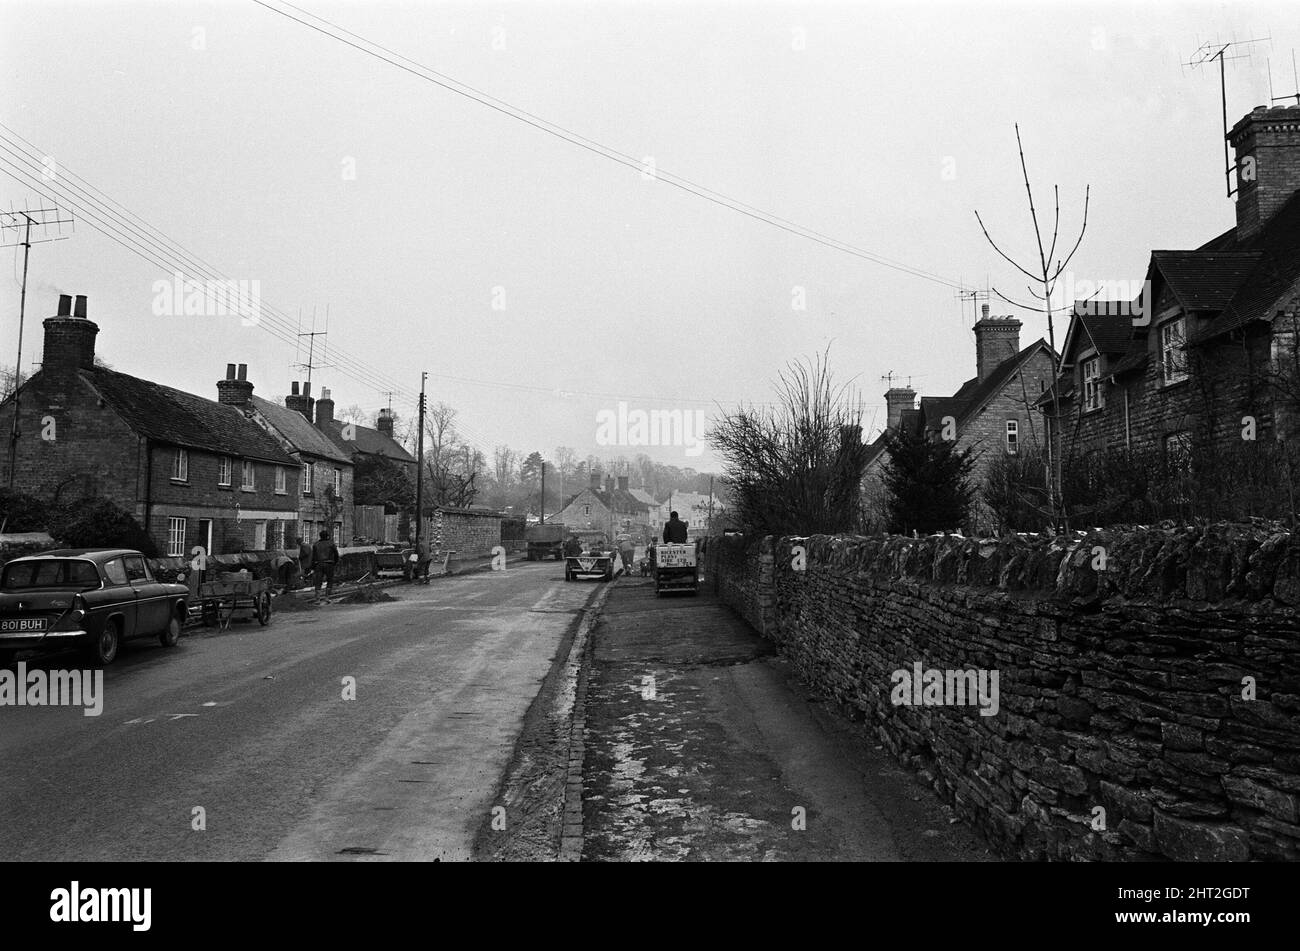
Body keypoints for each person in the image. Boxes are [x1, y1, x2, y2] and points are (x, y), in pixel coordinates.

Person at [311, 529, 340, 599]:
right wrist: (335, 562)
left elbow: (313, 557)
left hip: (318, 564)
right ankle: (327, 597)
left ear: (320, 536)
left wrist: (313, 566)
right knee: (330, 580)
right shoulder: (331, 544)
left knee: (318, 581)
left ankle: (317, 598)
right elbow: (336, 554)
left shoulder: (316, 544)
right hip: (329, 564)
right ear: (327, 536)